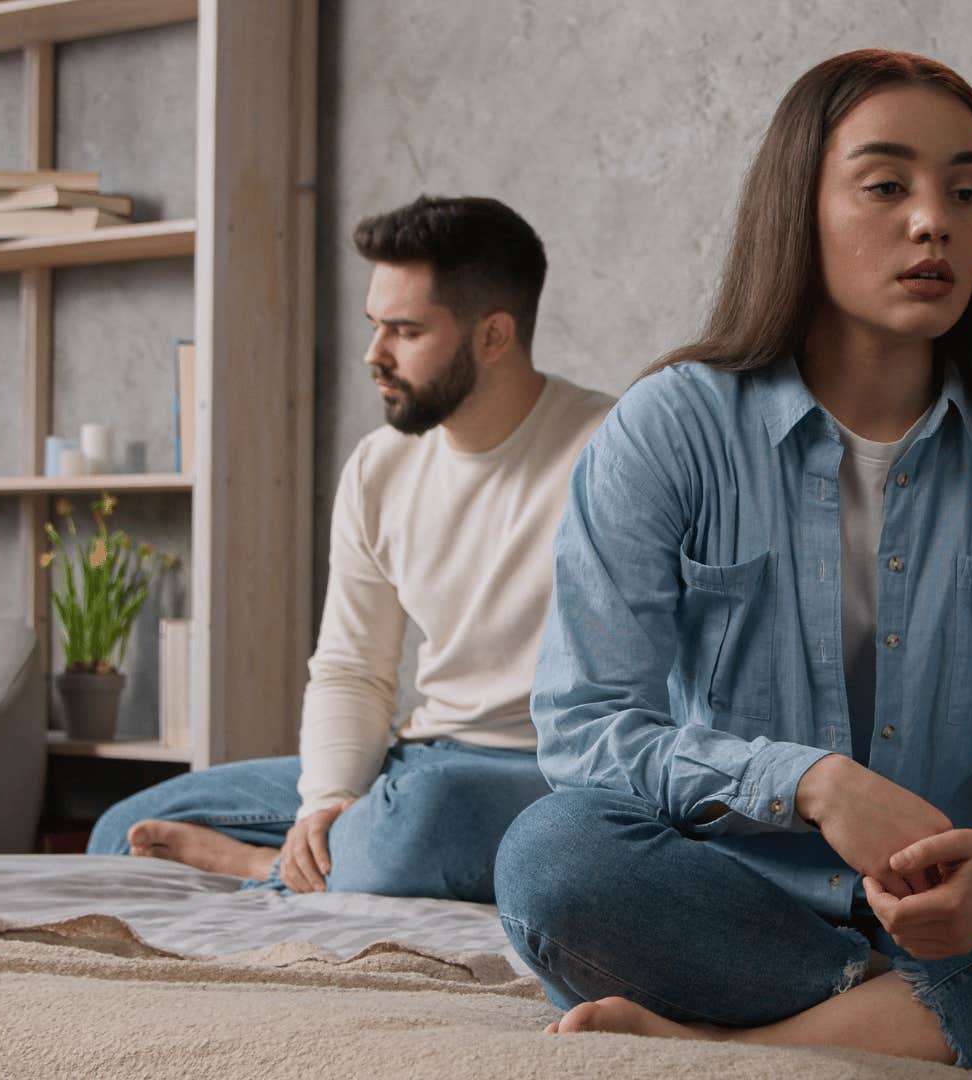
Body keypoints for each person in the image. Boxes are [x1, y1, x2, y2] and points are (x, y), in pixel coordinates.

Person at [493, 50, 972, 1077]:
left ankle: (750, 1049)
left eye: (966, 191)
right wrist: (809, 784)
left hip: (966, 918)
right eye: (887, 184)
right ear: (800, 206)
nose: (933, 222)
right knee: (551, 855)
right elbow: (589, 729)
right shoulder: (670, 428)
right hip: (728, 907)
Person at [88, 195, 614, 902]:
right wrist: (328, 800)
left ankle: (261, 869)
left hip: (544, 770)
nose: (375, 355)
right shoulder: (380, 465)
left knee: (426, 819)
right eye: (375, 326)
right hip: (417, 760)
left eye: (404, 331)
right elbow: (352, 668)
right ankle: (329, 855)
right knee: (122, 828)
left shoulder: (611, 450)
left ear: (493, 336)